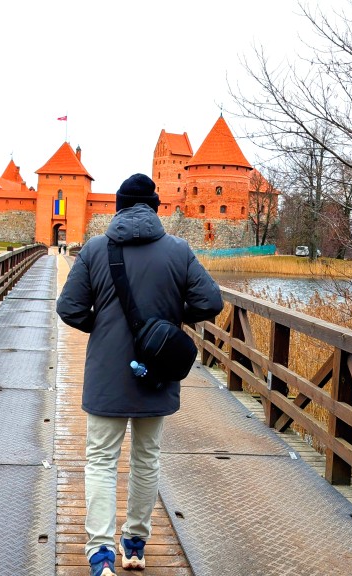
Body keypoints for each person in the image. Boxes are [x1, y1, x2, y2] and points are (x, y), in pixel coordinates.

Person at [56, 173, 222, 576]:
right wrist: (167, 322)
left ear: (118, 207)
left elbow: (69, 308)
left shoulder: (95, 250)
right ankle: (135, 544)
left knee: (100, 460)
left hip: (107, 375)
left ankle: (99, 555)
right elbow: (210, 301)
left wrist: (105, 326)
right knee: (147, 459)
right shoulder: (178, 250)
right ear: (154, 207)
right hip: (158, 371)